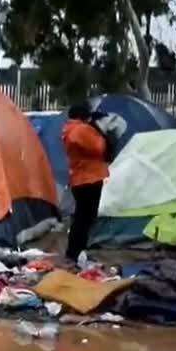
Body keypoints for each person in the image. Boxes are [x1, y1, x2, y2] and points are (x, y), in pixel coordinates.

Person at [62, 103, 109, 262]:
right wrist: (98, 132)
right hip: (89, 178)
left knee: (82, 217)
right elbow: (99, 147)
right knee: (85, 217)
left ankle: (76, 250)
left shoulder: (70, 129)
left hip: (80, 178)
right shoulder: (80, 130)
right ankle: (75, 251)